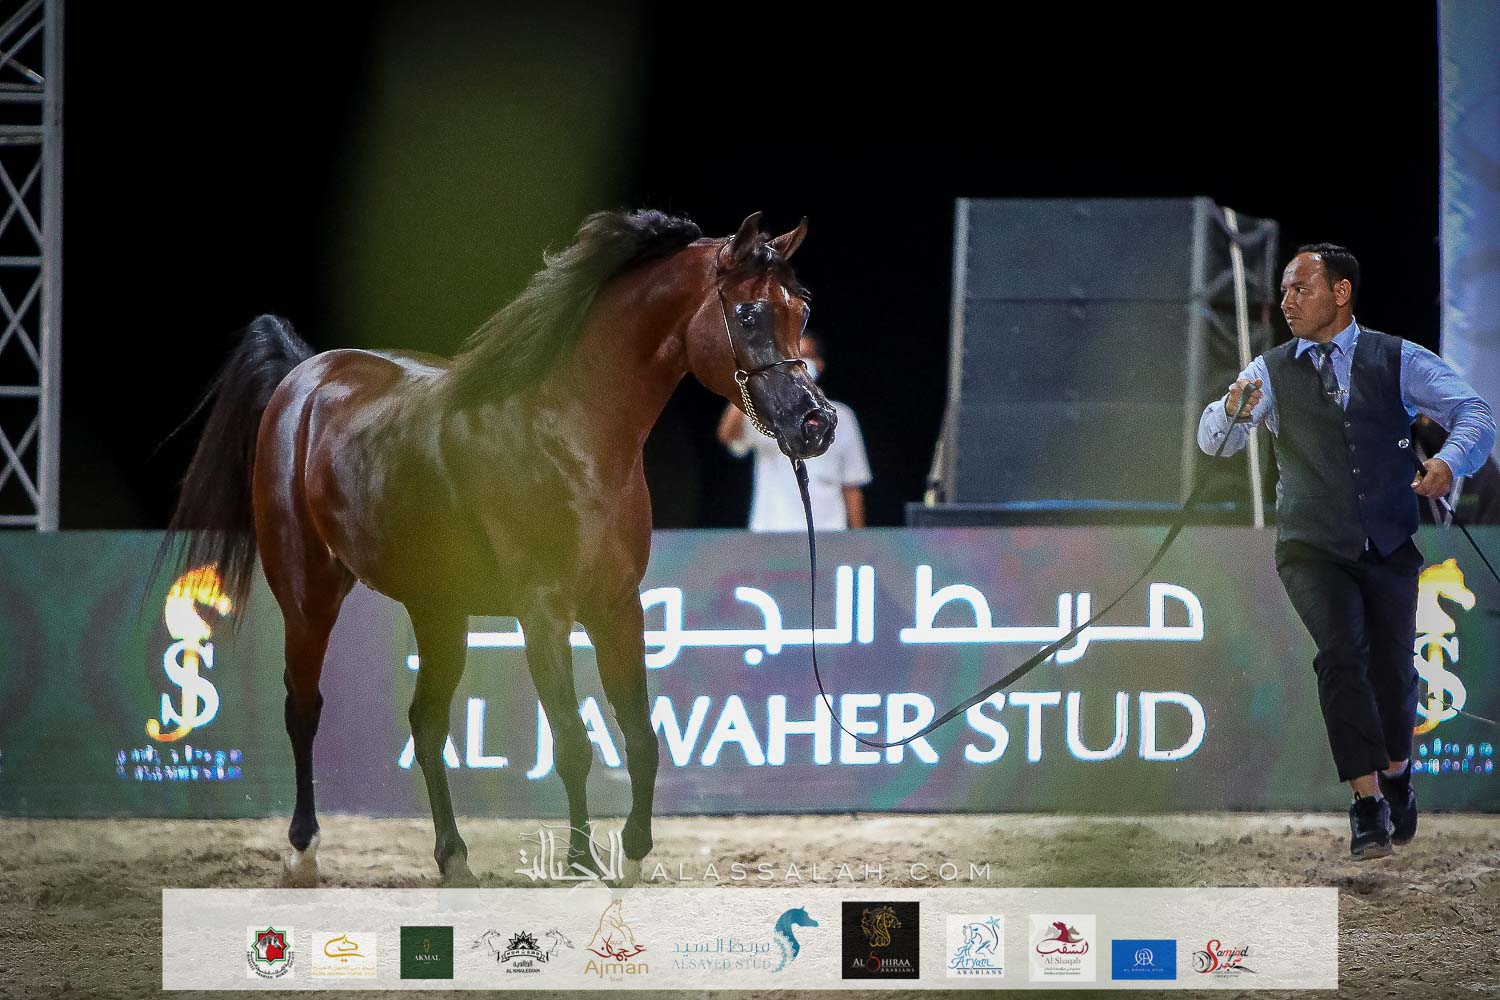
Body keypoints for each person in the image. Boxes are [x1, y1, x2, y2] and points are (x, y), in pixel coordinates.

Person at [1197, 244, 1495, 860]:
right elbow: (1217, 443)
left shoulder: (1398, 358)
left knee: (1394, 673)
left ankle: (1396, 774)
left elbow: (1475, 412)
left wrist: (1448, 461)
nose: (1286, 301)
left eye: (1300, 288)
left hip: (1388, 545)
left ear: (1340, 293)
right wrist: (1227, 410)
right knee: (1340, 655)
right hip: (1310, 549)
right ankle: (1366, 803)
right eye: (1284, 289)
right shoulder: (1269, 370)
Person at [717, 331, 871, 531]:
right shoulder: (765, 413)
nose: (796, 365)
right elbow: (727, 435)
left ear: (819, 364)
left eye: (804, 357)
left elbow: (851, 485)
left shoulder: (841, 416)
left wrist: (858, 539)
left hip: (827, 532)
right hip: (771, 533)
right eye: (789, 358)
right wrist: (750, 381)